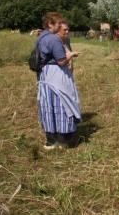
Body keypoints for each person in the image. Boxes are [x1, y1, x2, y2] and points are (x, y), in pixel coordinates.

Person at [35, 12, 81, 149]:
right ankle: (62, 141)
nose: (60, 26)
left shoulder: (41, 37)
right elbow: (61, 61)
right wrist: (71, 54)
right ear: (50, 24)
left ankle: (50, 141)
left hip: (45, 76)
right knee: (62, 105)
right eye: (58, 23)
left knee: (48, 107)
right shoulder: (53, 39)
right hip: (55, 76)